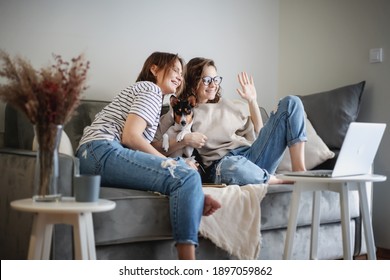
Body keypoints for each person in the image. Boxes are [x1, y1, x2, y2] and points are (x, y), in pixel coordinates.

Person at [75, 52, 221, 260]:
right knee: (186, 174)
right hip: (101, 150)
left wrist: (192, 192)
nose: (180, 76)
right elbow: (131, 137)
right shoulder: (150, 89)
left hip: (92, 156)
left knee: (184, 173)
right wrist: (176, 169)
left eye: (182, 73)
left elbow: (139, 157)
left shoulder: (146, 95)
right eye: (175, 70)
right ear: (154, 69)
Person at [153, 57, 307, 185]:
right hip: (222, 164)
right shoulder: (183, 111)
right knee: (233, 166)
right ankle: (276, 181)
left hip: (251, 155)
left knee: (291, 102)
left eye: (216, 79)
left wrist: (252, 101)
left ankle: (300, 172)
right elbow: (157, 147)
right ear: (193, 82)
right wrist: (185, 140)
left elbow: (260, 132)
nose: (213, 84)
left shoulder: (230, 105)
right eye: (207, 80)